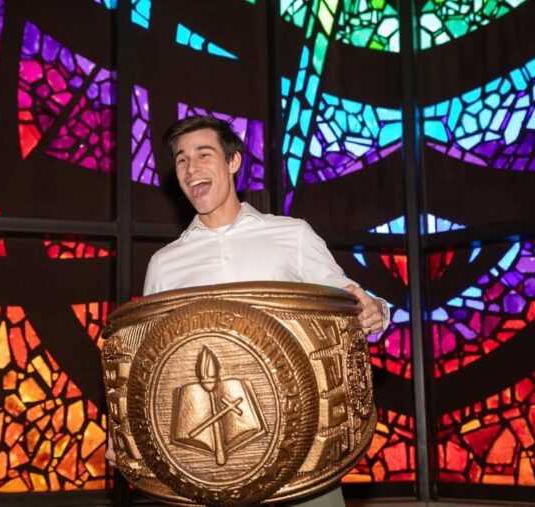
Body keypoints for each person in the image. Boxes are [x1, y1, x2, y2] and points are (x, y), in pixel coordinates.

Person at [135, 115, 390, 506]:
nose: (191, 168)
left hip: (304, 453)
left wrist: (376, 310)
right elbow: (150, 366)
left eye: (204, 154)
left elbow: (346, 305)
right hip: (209, 468)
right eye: (182, 160)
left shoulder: (292, 235)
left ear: (233, 161)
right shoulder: (165, 264)